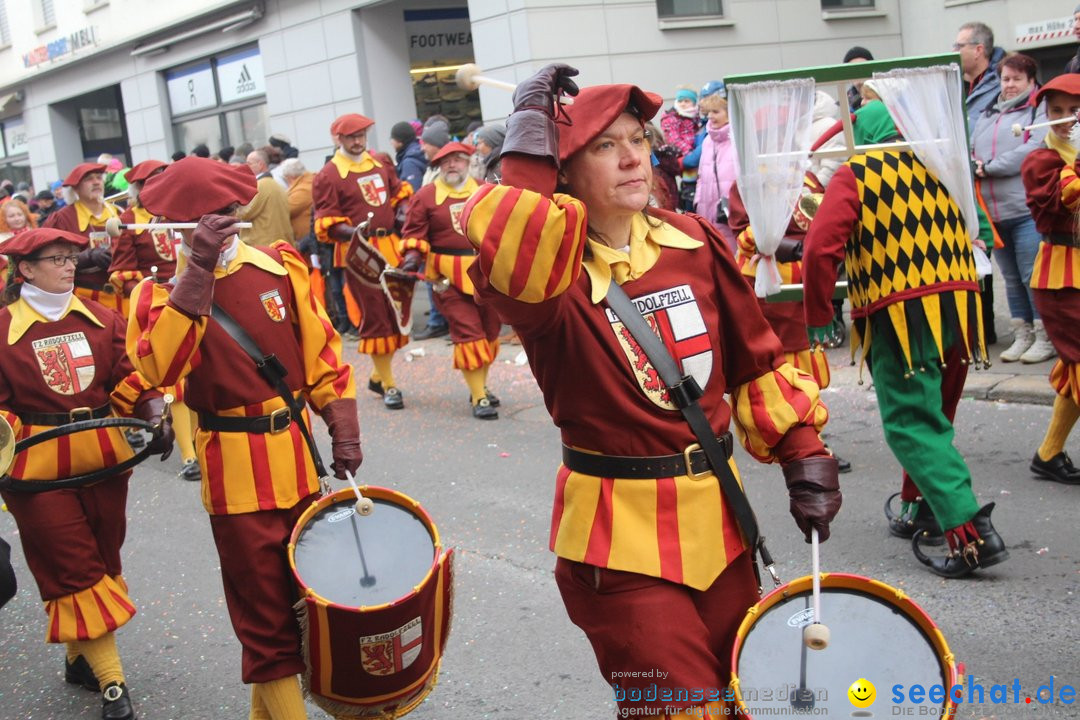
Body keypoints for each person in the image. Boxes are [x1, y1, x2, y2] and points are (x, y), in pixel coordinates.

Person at [463, 64, 841, 718]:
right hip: (617, 542)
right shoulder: (546, 281)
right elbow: (512, 234)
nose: (633, 156)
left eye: (638, 138)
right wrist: (528, 130)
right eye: (605, 145)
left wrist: (802, 449)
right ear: (562, 171)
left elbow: (753, 360)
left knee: (752, 696)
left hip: (722, 523)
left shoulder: (694, 241)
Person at [128, 157, 361, 719]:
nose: (222, 223)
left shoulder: (281, 267)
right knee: (264, 619)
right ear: (178, 228)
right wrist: (198, 273)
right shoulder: (156, 296)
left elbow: (324, 354)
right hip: (235, 477)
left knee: (314, 604)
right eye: (205, 219)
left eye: (229, 211)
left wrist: (343, 426)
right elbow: (161, 369)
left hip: (299, 460)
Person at [802, 99, 1008, 578]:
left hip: (901, 312)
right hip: (961, 306)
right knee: (932, 413)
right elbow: (985, 231)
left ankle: (970, 534)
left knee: (911, 422)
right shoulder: (943, 164)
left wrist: (817, 315)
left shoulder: (857, 173)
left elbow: (819, 248)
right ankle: (921, 507)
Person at [0, 227, 173, 720]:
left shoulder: (102, 317)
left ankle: (80, 657)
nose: (69, 266)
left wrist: (155, 412)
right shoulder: (1, 329)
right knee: (73, 564)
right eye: (56, 259)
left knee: (102, 556)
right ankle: (114, 685)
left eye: (71, 258)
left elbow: (128, 377)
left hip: (105, 461)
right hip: (36, 470)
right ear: (26, 269)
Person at [312, 113, 414, 409]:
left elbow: (399, 193)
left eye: (361, 135)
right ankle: (390, 384)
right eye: (351, 137)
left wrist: (404, 210)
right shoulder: (328, 175)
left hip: (390, 245)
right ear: (339, 139)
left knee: (397, 311)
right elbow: (327, 222)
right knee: (375, 316)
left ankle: (379, 377)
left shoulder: (381, 161)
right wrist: (353, 231)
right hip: (358, 252)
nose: (357, 141)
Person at [399, 141, 502, 419]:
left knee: (490, 331)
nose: (451, 165)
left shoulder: (485, 190)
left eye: (457, 160)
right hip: (446, 276)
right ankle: (479, 397)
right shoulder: (426, 196)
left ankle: (480, 384)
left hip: (486, 272)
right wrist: (410, 260)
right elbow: (414, 234)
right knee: (468, 334)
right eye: (445, 162)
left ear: (467, 162)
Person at [971, 53, 1054, 363]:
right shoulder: (988, 112)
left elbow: (1033, 149)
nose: (1009, 85)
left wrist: (989, 167)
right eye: (1005, 78)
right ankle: (1023, 334)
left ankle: (1045, 336)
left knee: (1032, 274)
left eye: (1017, 79)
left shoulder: (1038, 109)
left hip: (1024, 208)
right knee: (1010, 278)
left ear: (1031, 81)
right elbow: (973, 146)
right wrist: (975, 164)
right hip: (994, 212)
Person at [1018, 73, 1080, 485]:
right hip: (1060, 276)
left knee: (1076, 367)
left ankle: (1048, 452)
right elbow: (1065, 198)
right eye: (1056, 111)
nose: (1065, 119)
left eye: (1074, 110)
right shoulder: (1040, 160)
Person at [42, 163, 122, 313]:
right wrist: (87, 257)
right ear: (75, 188)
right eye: (89, 179)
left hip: (122, 297)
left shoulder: (117, 213)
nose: (96, 182)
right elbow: (48, 259)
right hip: (82, 298)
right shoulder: (61, 219)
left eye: (99, 177)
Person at [692, 89, 736, 248]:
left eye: (716, 111)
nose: (710, 116)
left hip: (731, 212)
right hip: (707, 211)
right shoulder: (707, 141)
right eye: (708, 112)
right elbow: (701, 176)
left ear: (729, 113)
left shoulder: (738, 141)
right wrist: (698, 201)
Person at [241, 149, 294, 247]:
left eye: (249, 164)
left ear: (260, 164)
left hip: (265, 244)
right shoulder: (275, 184)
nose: (245, 167)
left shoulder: (261, 185)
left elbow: (245, 212)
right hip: (279, 242)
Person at [280, 158, 314, 246]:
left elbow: (284, 209)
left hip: (306, 240)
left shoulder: (304, 189)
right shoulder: (308, 182)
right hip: (307, 238)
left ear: (291, 177)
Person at [390, 121, 427, 191]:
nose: (391, 143)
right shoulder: (420, 151)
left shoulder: (409, 163)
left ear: (400, 141)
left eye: (392, 138)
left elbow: (412, 192)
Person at [843, 46, 874, 112]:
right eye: (853, 69)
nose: (858, 72)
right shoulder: (846, 100)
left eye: (863, 67)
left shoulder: (883, 95)